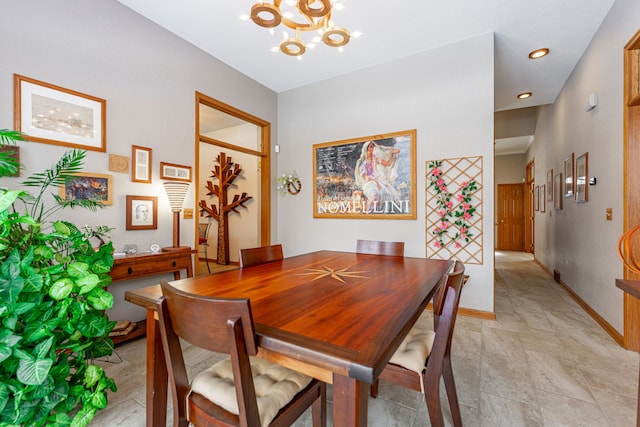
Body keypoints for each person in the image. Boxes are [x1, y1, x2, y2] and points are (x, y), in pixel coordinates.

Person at [354, 141, 400, 208]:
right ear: (366, 148)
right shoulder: (361, 161)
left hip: (378, 180)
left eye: (373, 146)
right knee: (375, 196)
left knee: (391, 194)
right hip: (368, 182)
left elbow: (388, 163)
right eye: (371, 147)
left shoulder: (375, 158)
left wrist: (391, 153)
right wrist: (376, 182)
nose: (372, 148)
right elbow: (365, 177)